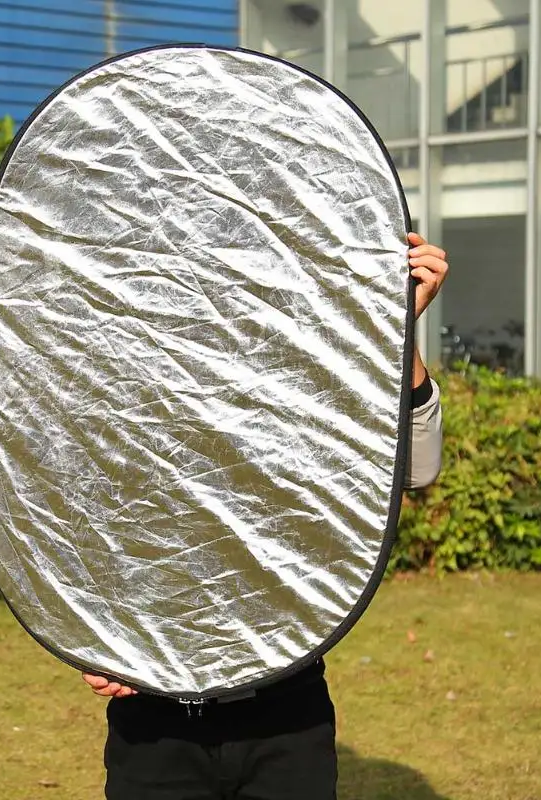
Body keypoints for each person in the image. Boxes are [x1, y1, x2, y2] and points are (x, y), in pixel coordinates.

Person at [82, 232, 449, 800]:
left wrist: (394, 328)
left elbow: (417, 469)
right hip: (154, 710)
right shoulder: (127, 388)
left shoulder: (300, 377)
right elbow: (73, 513)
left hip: (285, 707)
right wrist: (87, 636)